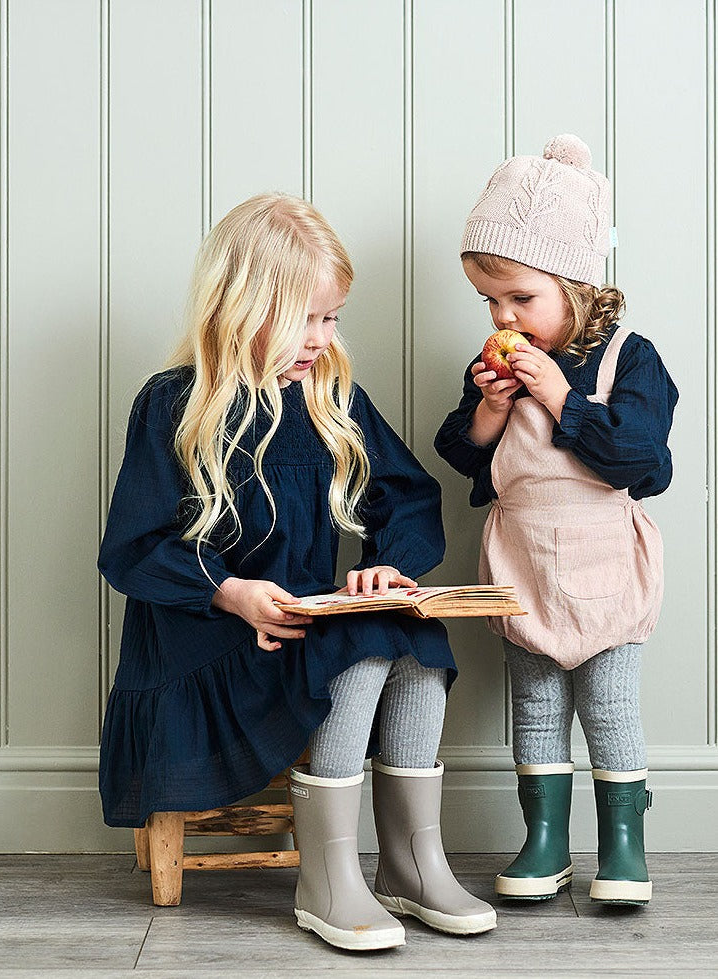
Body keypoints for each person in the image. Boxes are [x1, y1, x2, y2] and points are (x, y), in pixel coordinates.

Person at [99, 193, 496, 950]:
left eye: (332, 318)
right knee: (361, 646)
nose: (322, 337)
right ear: (240, 306)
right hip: (215, 644)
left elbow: (408, 497)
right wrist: (230, 591)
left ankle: (413, 864)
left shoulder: (331, 397)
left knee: (416, 640)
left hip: (301, 628)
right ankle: (328, 876)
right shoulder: (173, 405)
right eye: (305, 319)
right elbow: (133, 544)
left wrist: (386, 567)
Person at [435, 135, 678, 907]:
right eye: (490, 302)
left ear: (577, 284)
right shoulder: (497, 372)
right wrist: (488, 411)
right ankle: (543, 840)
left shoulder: (628, 361)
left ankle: (622, 843)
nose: (504, 316)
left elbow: (637, 457)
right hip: (523, 561)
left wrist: (561, 399)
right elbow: (461, 455)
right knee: (535, 704)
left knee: (607, 705)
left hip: (601, 560)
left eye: (521, 298)